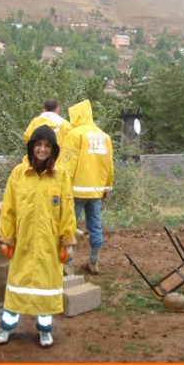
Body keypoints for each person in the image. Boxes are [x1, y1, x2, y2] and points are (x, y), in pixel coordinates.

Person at [0, 125, 77, 348]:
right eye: (38, 145)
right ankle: (7, 327)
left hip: (49, 244)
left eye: (47, 146)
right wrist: (6, 238)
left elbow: (67, 210)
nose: (42, 149)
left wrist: (67, 240)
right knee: (16, 285)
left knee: (46, 288)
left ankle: (44, 330)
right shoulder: (18, 173)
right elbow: (8, 208)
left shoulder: (61, 176)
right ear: (32, 147)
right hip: (22, 242)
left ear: (53, 150)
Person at [60, 100, 114, 275]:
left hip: (75, 191)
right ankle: (94, 262)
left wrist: (61, 187)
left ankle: (67, 265)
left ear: (77, 115)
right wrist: (106, 188)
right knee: (95, 225)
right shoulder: (104, 136)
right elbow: (109, 165)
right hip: (96, 190)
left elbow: (67, 164)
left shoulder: (75, 134)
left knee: (68, 226)